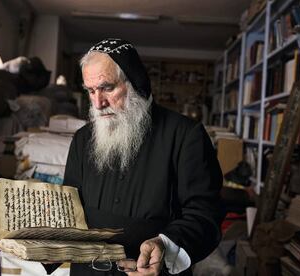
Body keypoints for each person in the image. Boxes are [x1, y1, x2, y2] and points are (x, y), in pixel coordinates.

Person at [63, 38, 225, 276]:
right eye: (91, 91)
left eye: (108, 87)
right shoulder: (82, 139)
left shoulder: (185, 135)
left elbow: (205, 213)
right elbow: (68, 205)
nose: (98, 103)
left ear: (136, 82)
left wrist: (165, 246)